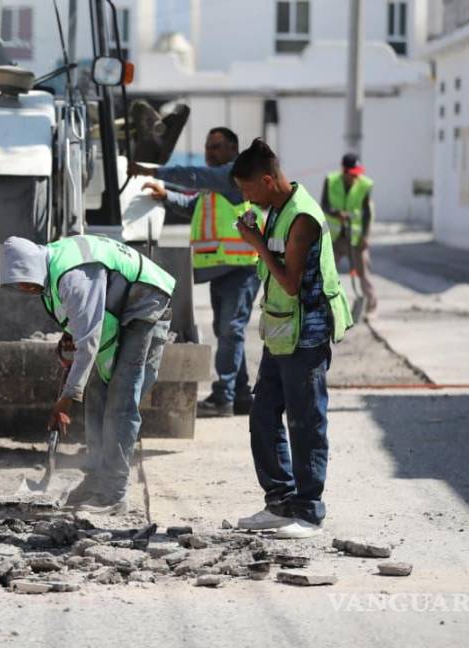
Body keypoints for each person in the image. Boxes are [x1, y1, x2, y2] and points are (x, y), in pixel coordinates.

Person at [0, 234, 175, 515]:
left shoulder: (73, 275)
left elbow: (90, 340)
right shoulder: (53, 267)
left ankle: (114, 493)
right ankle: (96, 479)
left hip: (146, 303)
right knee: (97, 394)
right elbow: (83, 321)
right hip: (124, 306)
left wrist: (67, 398)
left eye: (25, 280)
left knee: (121, 400)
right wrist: (70, 335)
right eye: (17, 284)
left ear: (32, 267)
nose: (24, 288)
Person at [229, 139, 353, 539]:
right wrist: (260, 236)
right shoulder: (278, 210)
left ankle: (309, 511)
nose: (246, 198)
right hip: (282, 333)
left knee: (305, 422)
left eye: (248, 191)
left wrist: (256, 245)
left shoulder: (303, 217)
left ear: (267, 180)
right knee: (263, 414)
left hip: (308, 333)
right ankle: (280, 502)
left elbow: (290, 281)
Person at [138, 127, 263, 418]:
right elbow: (192, 205)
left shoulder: (232, 175)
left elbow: (193, 176)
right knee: (227, 332)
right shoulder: (215, 185)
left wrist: (154, 172)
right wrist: (165, 195)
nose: (210, 153)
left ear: (233, 149)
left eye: (216, 147)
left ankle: (224, 397)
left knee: (230, 331)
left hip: (241, 267)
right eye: (207, 147)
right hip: (219, 269)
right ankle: (241, 395)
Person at [320, 153, 377, 314]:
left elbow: (367, 213)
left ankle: (371, 307)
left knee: (364, 273)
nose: (355, 178)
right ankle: (325, 305)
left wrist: (365, 236)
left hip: (356, 238)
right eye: (352, 174)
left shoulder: (364, 185)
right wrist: (336, 213)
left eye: (357, 174)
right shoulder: (331, 181)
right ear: (344, 171)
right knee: (327, 272)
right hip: (335, 238)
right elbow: (324, 204)